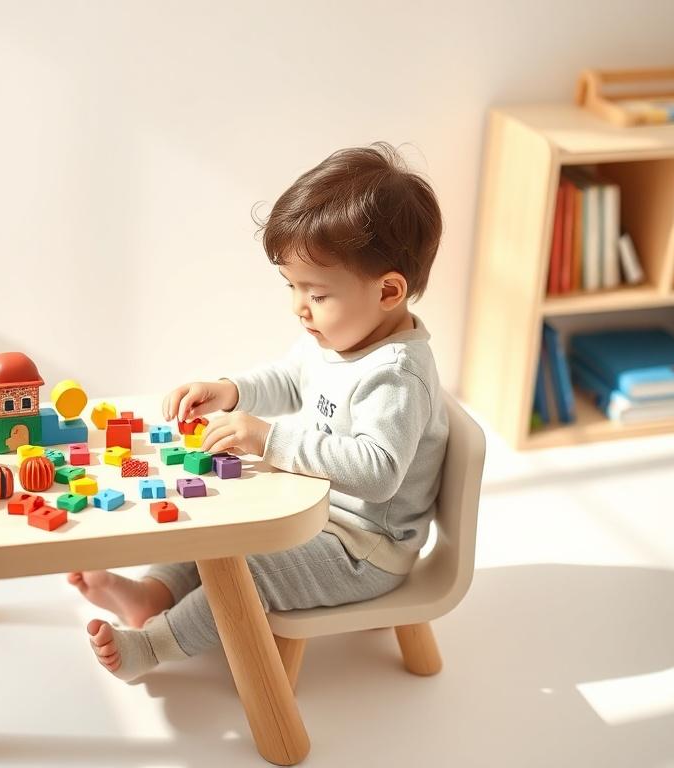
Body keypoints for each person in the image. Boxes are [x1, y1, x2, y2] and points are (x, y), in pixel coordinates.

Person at [69, 142, 449, 680]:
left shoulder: (396, 376)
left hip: (363, 549)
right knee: (213, 527)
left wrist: (268, 440)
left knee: (247, 570)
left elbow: (379, 472)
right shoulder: (339, 337)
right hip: (311, 513)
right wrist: (230, 391)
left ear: (388, 290)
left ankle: (152, 646)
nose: (298, 307)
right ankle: (152, 592)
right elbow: (291, 378)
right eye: (292, 287)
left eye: (315, 294)